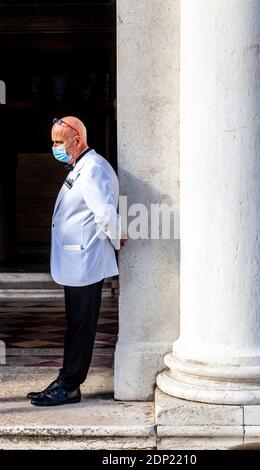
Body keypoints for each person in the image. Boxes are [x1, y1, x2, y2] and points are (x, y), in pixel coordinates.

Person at [27, 116, 127, 406]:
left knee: (81, 324)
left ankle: (70, 385)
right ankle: (65, 380)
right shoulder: (81, 167)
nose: (55, 147)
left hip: (85, 261)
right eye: (53, 141)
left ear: (77, 140)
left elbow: (105, 212)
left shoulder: (93, 168)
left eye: (59, 142)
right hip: (77, 260)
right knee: (76, 323)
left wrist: (117, 236)